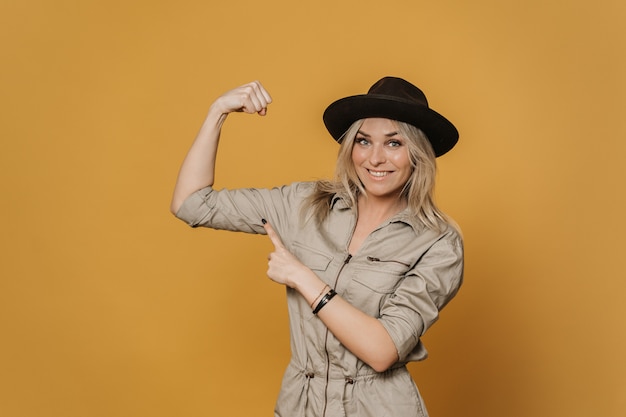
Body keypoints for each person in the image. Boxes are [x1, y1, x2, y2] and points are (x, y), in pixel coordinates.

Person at [170, 76, 464, 417]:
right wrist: (217, 112)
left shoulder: (439, 242)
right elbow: (191, 204)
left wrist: (302, 277)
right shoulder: (305, 205)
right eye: (364, 141)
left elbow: (383, 350)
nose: (376, 158)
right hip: (300, 406)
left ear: (418, 153)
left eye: (394, 144)